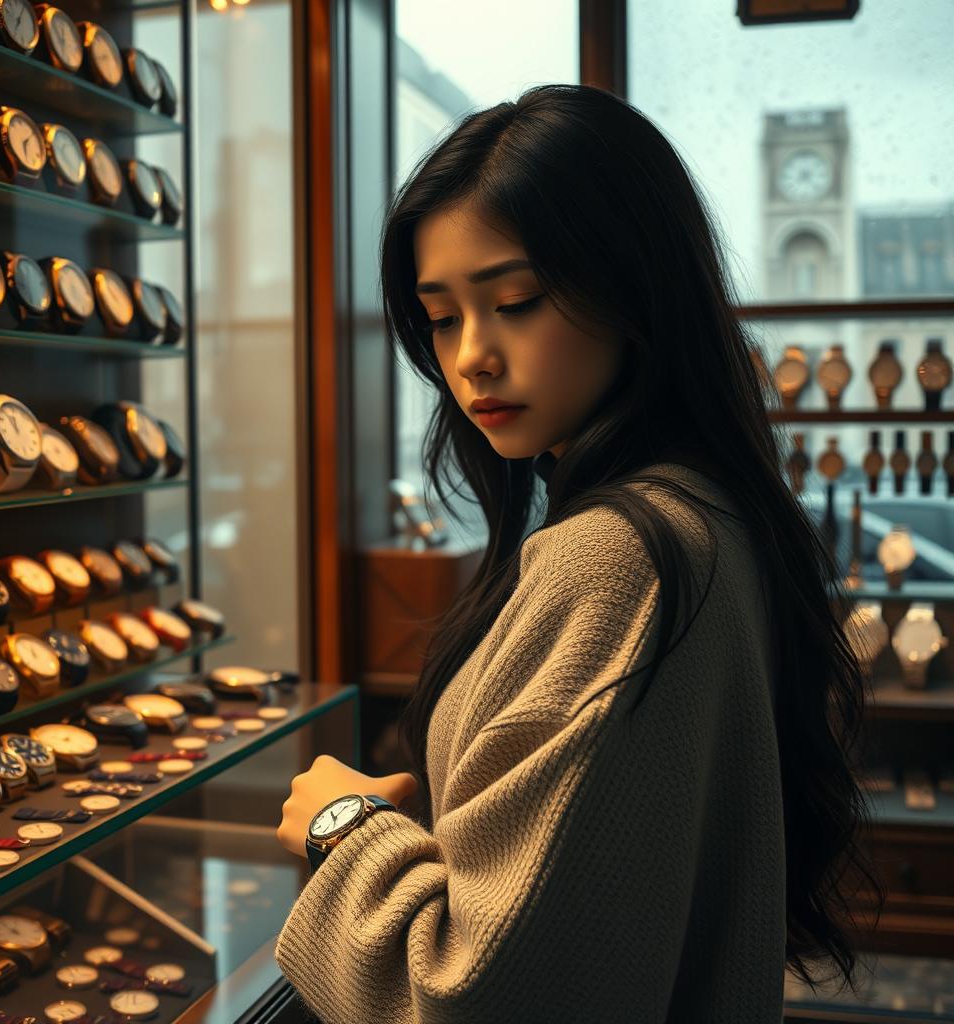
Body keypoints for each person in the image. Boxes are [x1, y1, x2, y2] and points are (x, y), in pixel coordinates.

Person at [273, 83, 884, 1023]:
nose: (471, 354)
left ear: (634, 288)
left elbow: (483, 995)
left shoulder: (617, 561)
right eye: (441, 316)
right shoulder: (704, 510)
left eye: (515, 300)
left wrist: (343, 824)